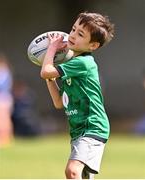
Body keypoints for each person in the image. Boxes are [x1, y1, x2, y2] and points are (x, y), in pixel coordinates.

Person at [40, 12, 114, 179]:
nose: (72, 35)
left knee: (72, 171)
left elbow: (45, 71)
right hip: (78, 130)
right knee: (80, 175)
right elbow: (59, 103)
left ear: (93, 46)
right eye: (73, 29)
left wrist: (51, 48)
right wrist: (51, 79)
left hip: (92, 126)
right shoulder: (71, 67)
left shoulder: (83, 63)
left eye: (80, 34)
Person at [0, 53, 14, 148]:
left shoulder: (3, 71)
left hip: (3, 98)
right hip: (3, 97)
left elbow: (2, 85)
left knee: (4, 119)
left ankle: (6, 138)